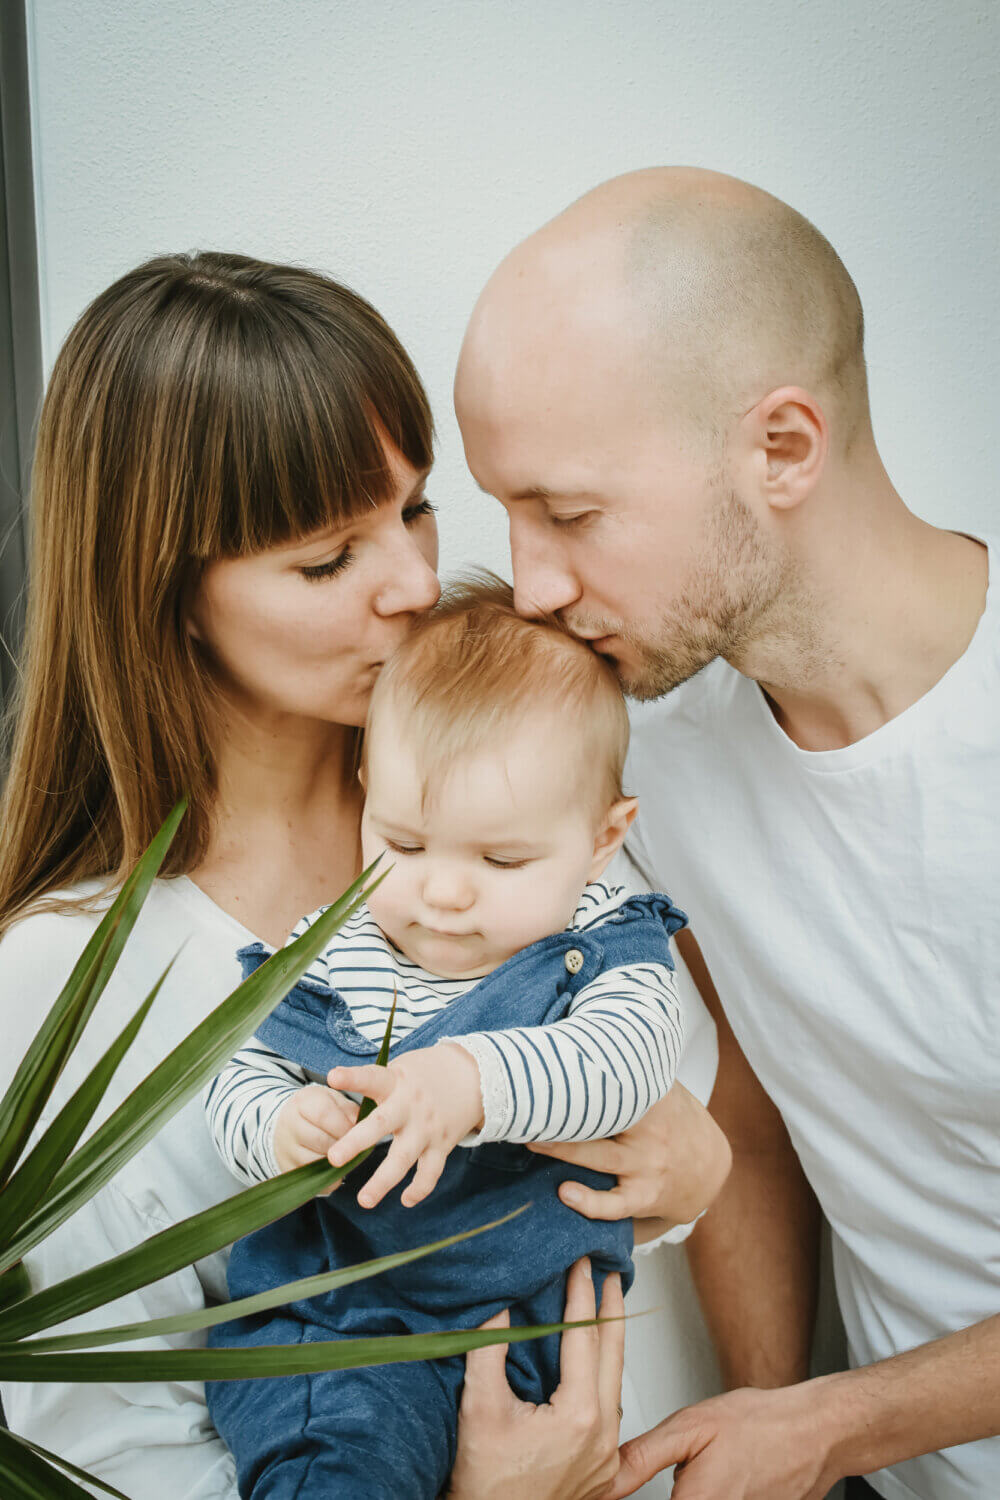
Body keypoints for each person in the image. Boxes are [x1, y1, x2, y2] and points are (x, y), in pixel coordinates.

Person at [0, 250, 729, 1499]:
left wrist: (691, 1175)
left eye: (414, 509)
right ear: (171, 594)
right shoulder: (66, 983)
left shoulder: (517, 793)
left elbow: (658, 1096)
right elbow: (106, 1459)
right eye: (326, 560)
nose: (410, 584)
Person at [453, 167, 1000, 1499]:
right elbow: (751, 1100)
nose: (532, 585)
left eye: (570, 514)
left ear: (783, 450)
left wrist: (827, 1431)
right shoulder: (657, 753)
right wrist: (773, 1426)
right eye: (506, 515)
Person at [202, 576, 688, 1499]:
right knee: (343, 1471)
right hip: (349, 1330)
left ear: (602, 837)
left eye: (501, 858)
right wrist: (278, 1126)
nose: (444, 892)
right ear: (364, 797)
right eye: (405, 842)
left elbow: (625, 1066)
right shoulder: (335, 950)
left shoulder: (608, 943)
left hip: (539, 1337)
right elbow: (241, 1066)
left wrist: (469, 1077)